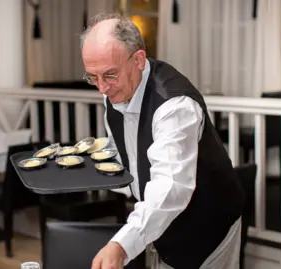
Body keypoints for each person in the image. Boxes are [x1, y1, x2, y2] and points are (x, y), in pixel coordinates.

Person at [80, 13, 245, 269]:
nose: (102, 88)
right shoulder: (114, 88)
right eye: (93, 77)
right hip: (161, 223)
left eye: (109, 75)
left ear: (138, 60)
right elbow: (128, 151)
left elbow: (170, 187)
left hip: (209, 225)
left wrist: (123, 244)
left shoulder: (174, 105)